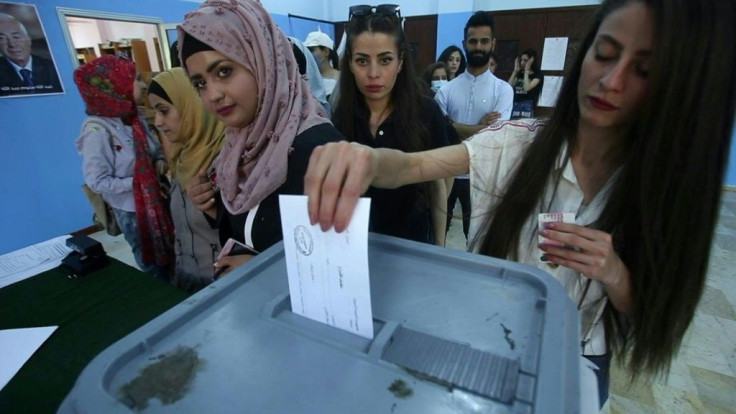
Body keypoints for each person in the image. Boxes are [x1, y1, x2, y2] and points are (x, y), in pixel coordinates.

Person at [303, 0, 735, 406]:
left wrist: (614, 271)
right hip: (486, 333)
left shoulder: (663, 189)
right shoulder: (517, 144)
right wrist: (366, 158)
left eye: (643, 69)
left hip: (577, 355)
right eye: (604, 54)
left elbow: (653, 317)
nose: (611, 80)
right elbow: (414, 167)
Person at [178, 0, 344, 277]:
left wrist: (262, 272)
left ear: (265, 64)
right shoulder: (239, 146)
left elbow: (343, 267)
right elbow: (253, 229)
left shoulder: (320, 150)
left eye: (224, 71)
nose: (213, 94)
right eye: (200, 84)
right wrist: (213, 206)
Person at [332, 4, 449, 246]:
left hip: (414, 246)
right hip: (358, 246)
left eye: (385, 60)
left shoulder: (426, 112)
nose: (374, 73)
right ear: (350, 65)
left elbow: (439, 186)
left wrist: (440, 247)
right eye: (362, 61)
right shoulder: (340, 115)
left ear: (401, 62)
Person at [74, 55, 174, 280]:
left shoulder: (133, 116)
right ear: (115, 86)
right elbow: (97, 181)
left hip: (159, 197)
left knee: (174, 250)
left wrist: (158, 162)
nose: (143, 84)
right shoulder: (97, 131)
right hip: (132, 211)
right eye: (136, 79)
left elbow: (154, 150)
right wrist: (140, 182)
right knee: (152, 263)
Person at [435, 11, 513, 241]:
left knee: (478, 238)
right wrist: (478, 127)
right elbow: (440, 130)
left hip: (481, 176)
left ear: (493, 43)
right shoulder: (447, 89)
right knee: (437, 234)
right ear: (464, 44)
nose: (478, 46)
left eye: (484, 41)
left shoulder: (503, 90)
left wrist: (454, 126)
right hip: (445, 172)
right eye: (473, 41)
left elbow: (496, 135)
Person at [148, 68, 226, 292]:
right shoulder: (183, 159)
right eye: (155, 113)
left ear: (193, 106)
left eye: (164, 111)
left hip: (224, 287)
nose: (159, 122)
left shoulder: (230, 161)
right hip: (187, 280)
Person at [0, 13, 62, 96]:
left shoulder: (52, 68)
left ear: (29, 39)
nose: (12, 44)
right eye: (2, 39)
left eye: (16, 37)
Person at [508, 48, 543, 118]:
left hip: (527, 105)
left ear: (532, 61)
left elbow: (527, 88)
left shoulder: (537, 75)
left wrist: (526, 71)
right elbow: (509, 86)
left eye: (525, 60)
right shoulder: (520, 73)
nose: (522, 63)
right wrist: (515, 71)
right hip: (515, 103)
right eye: (521, 60)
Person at [304, 30, 340, 98]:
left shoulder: (341, 79)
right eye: (306, 50)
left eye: (311, 50)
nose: (308, 54)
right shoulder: (305, 78)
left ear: (326, 52)